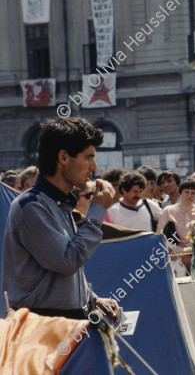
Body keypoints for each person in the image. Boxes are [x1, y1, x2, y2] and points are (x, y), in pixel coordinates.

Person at [2, 117, 118, 320]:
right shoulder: (32, 206)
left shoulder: (60, 204)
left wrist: (92, 299)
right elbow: (67, 261)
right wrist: (97, 209)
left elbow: (58, 278)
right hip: (43, 328)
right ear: (64, 157)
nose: (94, 167)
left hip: (64, 323)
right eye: (88, 157)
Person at [157, 178, 195, 275]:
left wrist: (186, 253)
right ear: (180, 192)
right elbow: (159, 237)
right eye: (186, 192)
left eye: (193, 193)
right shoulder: (168, 211)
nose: (189, 196)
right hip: (172, 258)